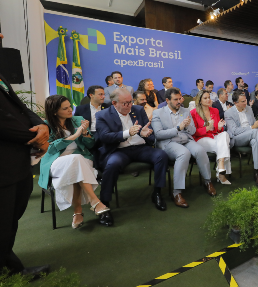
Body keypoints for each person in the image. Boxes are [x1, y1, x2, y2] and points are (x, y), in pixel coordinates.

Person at [0, 66, 50, 276]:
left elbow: (21, 108)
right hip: (3, 166)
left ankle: (8, 265)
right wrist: (36, 139)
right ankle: (12, 269)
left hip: (17, 163)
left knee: (10, 219)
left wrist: (41, 125)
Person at [96, 88, 169, 226]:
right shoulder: (103, 115)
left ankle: (157, 192)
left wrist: (146, 134)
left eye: (130, 102)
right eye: (125, 103)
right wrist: (127, 133)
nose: (129, 106)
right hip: (119, 150)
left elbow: (147, 130)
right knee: (112, 165)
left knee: (161, 156)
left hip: (140, 147)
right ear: (114, 103)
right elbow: (104, 137)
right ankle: (104, 203)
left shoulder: (138, 110)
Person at [40, 95, 109, 229]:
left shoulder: (78, 120)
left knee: (76, 163)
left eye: (70, 106)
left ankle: (78, 211)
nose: (70, 110)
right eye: (65, 108)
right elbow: (52, 148)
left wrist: (85, 134)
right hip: (57, 161)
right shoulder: (45, 126)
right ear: (54, 112)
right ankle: (94, 201)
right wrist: (76, 135)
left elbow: (90, 145)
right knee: (76, 162)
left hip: (81, 157)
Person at [151, 88, 216, 208]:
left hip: (186, 139)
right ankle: (177, 192)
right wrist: (178, 128)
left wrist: (187, 126)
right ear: (167, 100)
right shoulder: (158, 113)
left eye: (179, 99)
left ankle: (208, 182)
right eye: (175, 99)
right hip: (168, 142)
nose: (179, 102)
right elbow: (159, 134)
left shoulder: (185, 111)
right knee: (184, 153)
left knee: (200, 150)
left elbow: (193, 131)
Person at [191, 90, 232, 184]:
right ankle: (221, 175)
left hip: (214, 136)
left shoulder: (215, 110)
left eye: (209, 97)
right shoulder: (193, 113)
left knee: (225, 134)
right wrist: (206, 128)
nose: (208, 100)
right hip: (201, 139)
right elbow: (193, 132)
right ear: (200, 100)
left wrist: (220, 127)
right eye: (205, 98)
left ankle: (221, 162)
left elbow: (217, 130)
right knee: (224, 145)